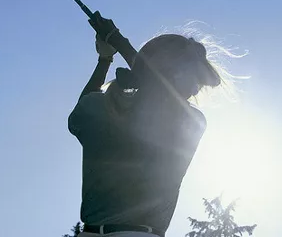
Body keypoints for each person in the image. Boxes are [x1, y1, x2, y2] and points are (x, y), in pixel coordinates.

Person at [68, 13, 226, 237]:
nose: (196, 89)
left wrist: (108, 56)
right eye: (194, 77)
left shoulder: (190, 120)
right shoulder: (190, 121)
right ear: (171, 72)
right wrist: (114, 46)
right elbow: (85, 109)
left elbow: (82, 110)